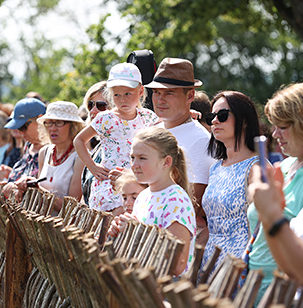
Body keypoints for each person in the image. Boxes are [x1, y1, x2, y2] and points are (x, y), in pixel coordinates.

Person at [248, 82, 303, 301]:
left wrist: (273, 215)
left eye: (282, 126)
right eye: (273, 125)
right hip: (256, 283)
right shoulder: (285, 166)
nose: (275, 133)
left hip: (290, 292)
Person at [144, 57, 215, 245]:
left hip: (169, 241)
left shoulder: (199, 139)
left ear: (190, 96)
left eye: (169, 93)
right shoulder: (153, 128)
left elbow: (194, 202)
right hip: (144, 231)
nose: (160, 99)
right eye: (156, 92)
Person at [108, 127, 196, 276]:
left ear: (166, 162)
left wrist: (134, 231)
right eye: (132, 157)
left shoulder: (175, 201)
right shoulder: (144, 196)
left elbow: (178, 264)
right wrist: (120, 232)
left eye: (142, 158)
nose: (134, 165)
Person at [74, 63, 159, 215]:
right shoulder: (106, 118)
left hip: (137, 181)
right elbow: (79, 140)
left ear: (140, 91)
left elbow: (168, 128)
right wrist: (92, 167)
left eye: (128, 94)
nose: (122, 100)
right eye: (116, 95)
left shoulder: (148, 117)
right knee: (115, 219)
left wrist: (188, 116)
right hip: (109, 183)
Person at [197, 91, 261, 282]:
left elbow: (260, 226)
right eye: (211, 117)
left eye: (222, 115)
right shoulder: (215, 167)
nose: (214, 121)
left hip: (238, 266)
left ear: (245, 120)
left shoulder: (256, 167)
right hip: (209, 263)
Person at [14, 101, 85, 212]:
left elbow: (72, 209)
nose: (53, 128)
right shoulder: (44, 152)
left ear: (73, 126)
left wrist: (39, 189)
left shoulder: (80, 156)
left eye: (59, 123)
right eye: (49, 123)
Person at [0, 98, 47, 197]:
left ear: (40, 120)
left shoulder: (52, 151)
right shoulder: (28, 146)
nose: (21, 133)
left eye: (23, 127)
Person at [78, 81, 111, 205]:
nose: (93, 111)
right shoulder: (98, 148)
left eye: (101, 105)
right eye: (90, 105)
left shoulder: (123, 148)